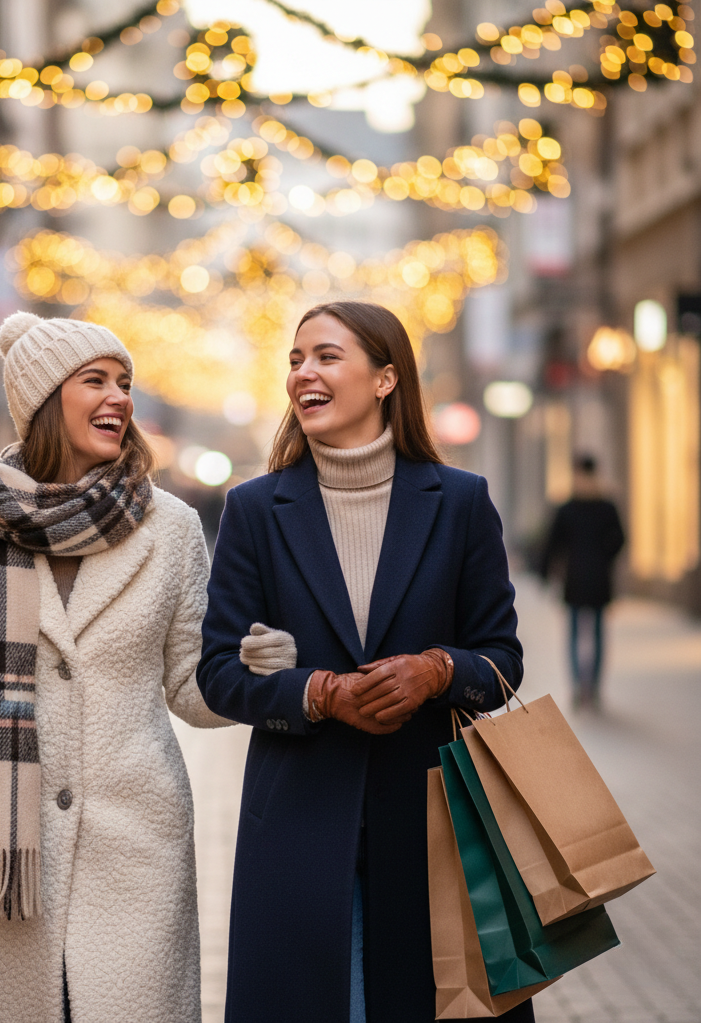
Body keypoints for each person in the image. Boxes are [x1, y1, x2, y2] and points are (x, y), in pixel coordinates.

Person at [0, 312, 230, 1023]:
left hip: (135, 843)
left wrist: (254, 668)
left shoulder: (171, 527)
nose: (119, 397)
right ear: (48, 399)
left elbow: (191, 687)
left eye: (125, 382)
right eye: (96, 381)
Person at [196, 301, 529, 1023]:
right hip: (298, 822)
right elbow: (217, 673)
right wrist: (316, 692)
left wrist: (437, 670)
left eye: (325, 356)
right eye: (294, 359)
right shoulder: (255, 508)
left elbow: (502, 659)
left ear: (385, 379)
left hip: (436, 821)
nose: (302, 373)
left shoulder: (460, 501)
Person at [540, 454, 625, 710]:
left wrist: (547, 573)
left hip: (576, 578)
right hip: (597, 577)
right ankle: (593, 689)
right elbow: (620, 540)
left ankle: (580, 688)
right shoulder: (606, 507)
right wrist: (605, 558)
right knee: (596, 633)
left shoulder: (568, 508)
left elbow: (552, 544)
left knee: (577, 634)